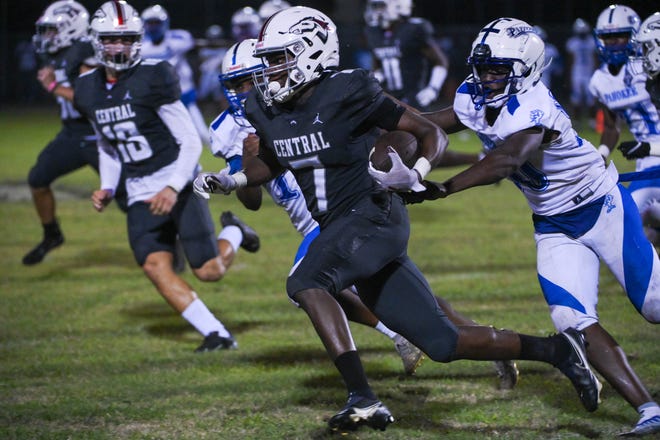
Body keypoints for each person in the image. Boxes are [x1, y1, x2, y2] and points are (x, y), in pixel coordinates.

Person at [193, 7, 601, 433]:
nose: (270, 70)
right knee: (443, 343)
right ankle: (559, 350)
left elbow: (432, 133)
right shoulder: (267, 108)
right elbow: (275, 160)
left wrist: (416, 175)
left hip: (374, 213)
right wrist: (232, 178)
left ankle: (363, 398)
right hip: (341, 225)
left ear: (310, 52)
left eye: (279, 58)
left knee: (306, 281)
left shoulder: (348, 89)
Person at [201, 38, 518, 383]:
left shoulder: (319, 98)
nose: (242, 90)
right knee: (398, 296)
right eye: (234, 84)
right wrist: (244, 166)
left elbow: (410, 128)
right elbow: (253, 200)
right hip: (315, 218)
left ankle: (398, 341)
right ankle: (487, 341)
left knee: (310, 284)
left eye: (248, 80)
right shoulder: (231, 127)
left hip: (349, 211)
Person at [416, 17, 660, 436]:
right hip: (553, 223)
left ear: (525, 69)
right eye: (483, 67)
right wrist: (386, 120)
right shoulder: (475, 95)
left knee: (655, 307)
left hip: (601, 207)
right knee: (571, 319)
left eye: (498, 70)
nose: (487, 77)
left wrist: (443, 188)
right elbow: (435, 121)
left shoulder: (533, 105)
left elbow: (507, 160)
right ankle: (649, 410)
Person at [74, 0, 261, 353]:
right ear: (97, 42)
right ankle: (217, 334)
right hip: (139, 188)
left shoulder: (153, 76)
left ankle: (235, 231)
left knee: (209, 272)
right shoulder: (87, 88)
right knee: (154, 265)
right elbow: (108, 143)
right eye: (112, 40)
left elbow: (190, 139)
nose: (120, 47)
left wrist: (173, 187)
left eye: (127, 39)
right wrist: (108, 185)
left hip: (178, 178)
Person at [23, 0, 127, 266]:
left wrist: (54, 86)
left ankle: (169, 241)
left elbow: (93, 99)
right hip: (72, 135)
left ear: (72, 28)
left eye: (53, 30)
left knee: (130, 198)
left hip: (99, 137)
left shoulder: (86, 52)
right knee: (37, 179)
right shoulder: (60, 53)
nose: (48, 37)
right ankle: (52, 234)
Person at [589, 5, 660, 249]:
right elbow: (611, 126)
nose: (614, 43)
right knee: (626, 223)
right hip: (646, 159)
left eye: (620, 36)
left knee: (629, 221)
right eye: (608, 38)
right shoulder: (600, 80)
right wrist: (601, 154)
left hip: (654, 150)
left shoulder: (649, 65)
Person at [140, 4, 208, 143]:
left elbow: (188, 42)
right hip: (159, 98)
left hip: (184, 94)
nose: (153, 27)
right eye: (150, 23)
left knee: (202, 134)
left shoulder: (178, 39)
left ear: (165, 23)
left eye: (157, 23)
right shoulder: (142, 47)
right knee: (166, 136)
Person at [363, 0, 449, 110]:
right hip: (388, 97)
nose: (377, 11)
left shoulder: (413, 29)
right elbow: (377, 64)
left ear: (399, 5)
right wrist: (377, 78)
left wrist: (433, 88)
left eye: (381, 6)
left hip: (414, 98)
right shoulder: (373, 31)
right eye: (375, 6)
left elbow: (441, 61)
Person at [565, 18, 597, 126]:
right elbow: (570, 61)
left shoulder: (592, 41)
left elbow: (595, 58)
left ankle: (592, 121)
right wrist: (569, 75)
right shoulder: (572, 42)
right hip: (577, 72)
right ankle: (576, 120)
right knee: (576, 98)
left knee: (591, 98)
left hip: (589, 72)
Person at [533, 25, 563, 91]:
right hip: (532, 76)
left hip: (546, 75)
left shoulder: (551, 49)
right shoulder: (529, 49)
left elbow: (558, 63)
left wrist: (557, 71)